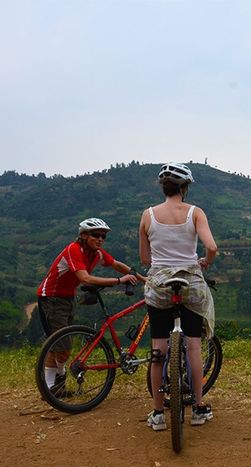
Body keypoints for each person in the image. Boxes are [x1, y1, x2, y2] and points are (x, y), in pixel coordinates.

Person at [139, 162, 218, 431]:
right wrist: (204, 262)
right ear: (184, 188)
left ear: (164, 187)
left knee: (158, 350)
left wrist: (160, 262)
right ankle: (197, 407)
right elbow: (211, 247)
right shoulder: (195, 213)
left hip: (160, 285)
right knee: (193, 347)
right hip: (190, 283)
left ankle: (158, 413)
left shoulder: (147, 215)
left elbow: (144, 258)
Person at [37, 218, 139, 396]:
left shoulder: (96, 253)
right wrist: (118, 281)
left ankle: (52, 388)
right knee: (62, 346)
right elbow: (85, 278)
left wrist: (144, 279)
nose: (100, 239)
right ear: (83, 235)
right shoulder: (74, 250)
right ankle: (54, 385)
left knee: (57, 345)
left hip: (68, 298)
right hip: (52, 299)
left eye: (103, 236)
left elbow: (116, 264)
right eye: (96, 235)